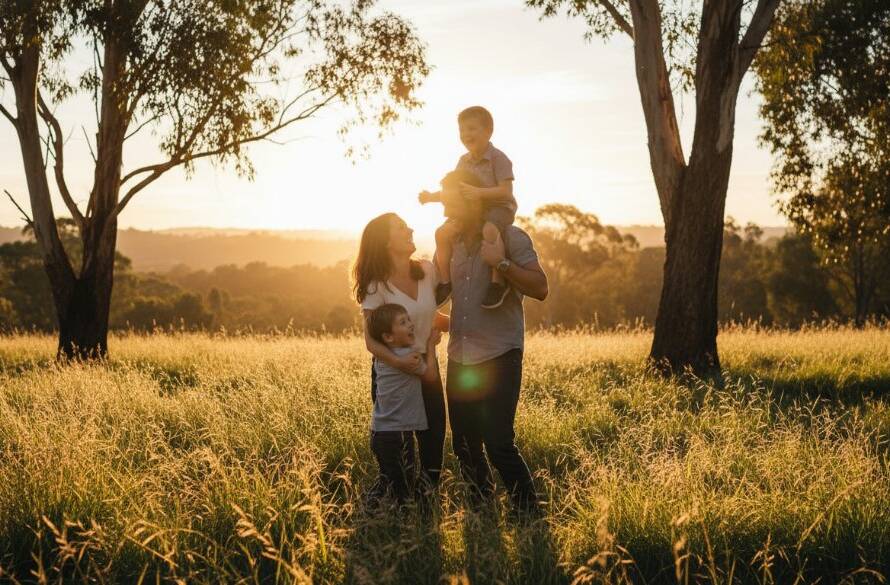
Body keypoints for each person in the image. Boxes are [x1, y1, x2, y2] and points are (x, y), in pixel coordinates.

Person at [435, 168, 549, 517]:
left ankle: (529, 515)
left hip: (500, 355)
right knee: (465, 445)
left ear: (472, 198)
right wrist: (440, 247)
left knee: (499, 443)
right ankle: (482, 513)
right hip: (460, 358)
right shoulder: (451, 241)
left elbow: (540, 287)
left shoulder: (510, 237)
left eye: (450, 200)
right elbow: (439, 295)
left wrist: (499, 262)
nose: (444, 209)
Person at [352, 213, 449, 495]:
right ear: (385, 242)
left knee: (433, 443)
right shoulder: (376, 286)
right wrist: (400, 361)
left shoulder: (427, 270)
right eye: (401, 227)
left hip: (427, 367)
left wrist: (470, 326)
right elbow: (371, 341)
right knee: (400, 454)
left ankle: (426, 506)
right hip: (394, 375)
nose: (410, 229)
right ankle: (394, 506)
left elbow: (429, 315)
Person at [419, 105, 517, 309]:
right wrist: (431, 197)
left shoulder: (499, 159)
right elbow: (455, 191)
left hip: (498, 207)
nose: (466, 134)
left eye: (472, 129)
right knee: (442, 233)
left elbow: (506, 192)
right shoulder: (463, 161)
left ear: (488, 131)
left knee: (489, 229)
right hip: (470, 211)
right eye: (462, 130)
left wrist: (479, 193)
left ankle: (497, 282)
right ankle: (445, 282)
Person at [364, 303, 442, 505]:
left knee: (392, 482)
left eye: (408, 320)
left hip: (385, 432)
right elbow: (431, 376)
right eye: (403, 322)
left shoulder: (385, 357)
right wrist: (431, 346)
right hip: (394, 434)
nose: (410, 324)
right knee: (399, 490)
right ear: (388, 337)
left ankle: (377, 511)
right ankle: (374, 512)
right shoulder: (408, 358)